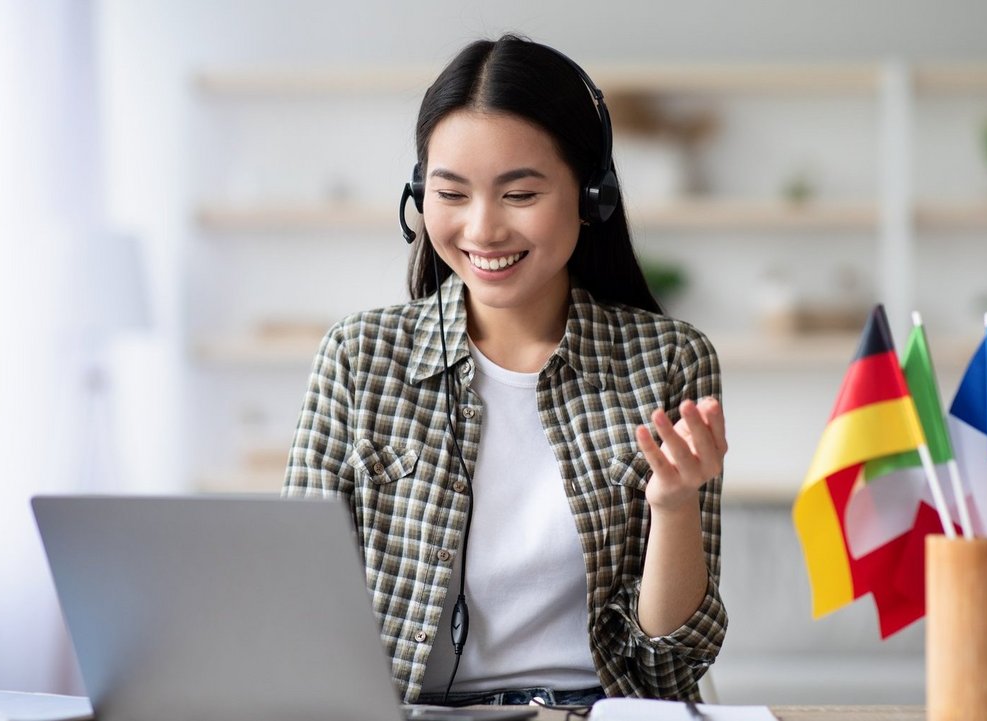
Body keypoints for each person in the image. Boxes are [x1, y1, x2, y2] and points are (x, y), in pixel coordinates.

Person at [283, 34, 728, 706]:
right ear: (417, 196)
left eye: (519, 193)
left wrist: (672, 506)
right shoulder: (357, 357)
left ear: (591, 194)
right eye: (452, 193)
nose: (483, 229)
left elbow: (666, 674)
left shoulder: (668, 361)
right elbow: (294, 613)